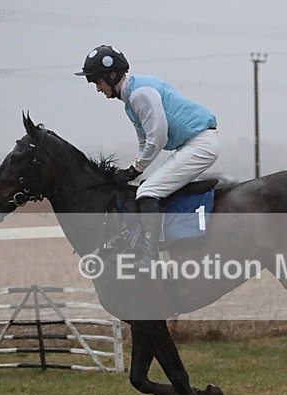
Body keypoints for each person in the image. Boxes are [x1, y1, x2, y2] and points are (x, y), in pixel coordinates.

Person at [75, 44, 219, 264]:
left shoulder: (140, 94)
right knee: (146, 187)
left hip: (199, 144)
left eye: (98, 81)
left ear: (112, 76)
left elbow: (158, 137)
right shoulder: (131, 99)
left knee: (148, 191)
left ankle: (149, 257)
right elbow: (145, 141)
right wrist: (132, 170)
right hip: (193, 143)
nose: (98, 88)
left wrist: (135, 169)